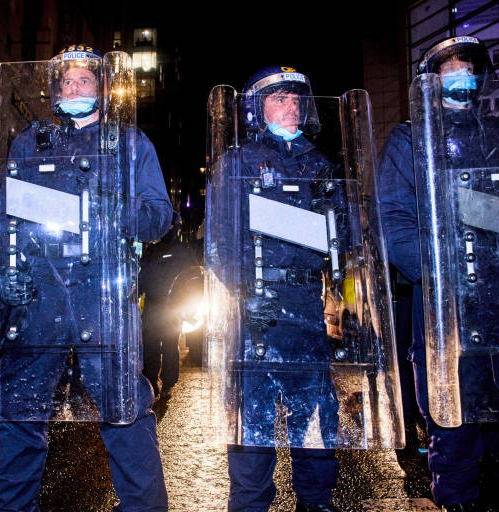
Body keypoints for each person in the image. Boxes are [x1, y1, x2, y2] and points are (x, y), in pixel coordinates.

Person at [0, 44, 172, 512]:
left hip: (101, 295)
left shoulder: (128, 143)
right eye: (66, 80)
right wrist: (10, 273)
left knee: (125, 411)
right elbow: (7, 220)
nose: (74, 87)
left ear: (102, 89)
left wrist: (119, 214)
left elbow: (158, 216)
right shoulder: (30, 141)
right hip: (40, 296)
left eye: (84, 80)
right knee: (20, 413)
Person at [377, 35, 499, 512]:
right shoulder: (410, 139)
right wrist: (442, 274)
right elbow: (395, 224)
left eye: (468, 69)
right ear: (431, 81)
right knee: (453, 410)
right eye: (449, 69)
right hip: (448, 304)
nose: (462, 77)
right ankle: (456, 500)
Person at [213, 67, 342, 512]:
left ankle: (316, 501)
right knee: (253, 423)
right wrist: (244, 293)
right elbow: (221, 243)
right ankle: (249, 504)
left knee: (316, 420)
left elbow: (342, 241)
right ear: (256, 108)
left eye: (295, 100)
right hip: (257, 314)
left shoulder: (318, 165)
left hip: (305, 309)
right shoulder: (238, 162)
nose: (290, 108)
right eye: (279, 99)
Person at [139, 216, 196, 398]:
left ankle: (155, 383)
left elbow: (144, 276)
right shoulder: (183, 252)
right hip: (169, 307)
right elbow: (192, 279)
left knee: (154, 346)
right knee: (165, 345)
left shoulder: (154, 250)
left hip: (158, 307)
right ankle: (163, 383)